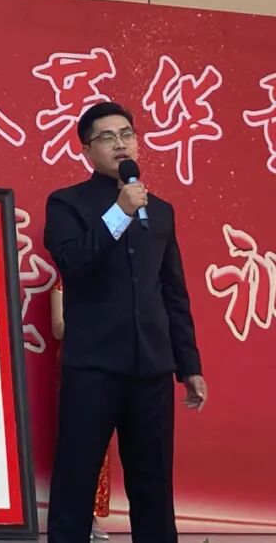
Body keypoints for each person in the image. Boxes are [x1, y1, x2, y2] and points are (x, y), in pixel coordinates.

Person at [44, 101, 206, 543]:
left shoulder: (161, 211)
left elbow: (172, 292)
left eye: (126, 134)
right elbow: (73, 263)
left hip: (151, 368)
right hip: (92, 367)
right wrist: (119, 212)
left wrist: (189, 365)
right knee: (76, 482)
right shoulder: (66, 203)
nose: (120, 144)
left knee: (154, 488)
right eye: (106, 137)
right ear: (86, 150)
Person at [50, 279, 112, 541]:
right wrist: (91, 318)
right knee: (78, 446)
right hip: (78, 369)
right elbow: (57, 329)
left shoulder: (108, 282)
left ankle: (93, 515)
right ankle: (77, 520)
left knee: (103, 450)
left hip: (109, 368)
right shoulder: (61, 285)